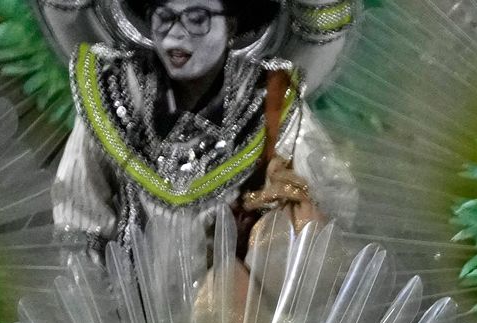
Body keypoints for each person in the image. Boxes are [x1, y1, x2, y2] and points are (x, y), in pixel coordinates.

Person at [52, 0, 349, 284]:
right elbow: (78, 221)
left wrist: (286, 201)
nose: (176, 33)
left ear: (230, 26)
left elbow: (335, 199)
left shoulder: (271, 101)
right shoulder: (112, 92)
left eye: (197, 19)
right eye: (164, 17)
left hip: (238, 322)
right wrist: (100, 313)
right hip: (130, 321)